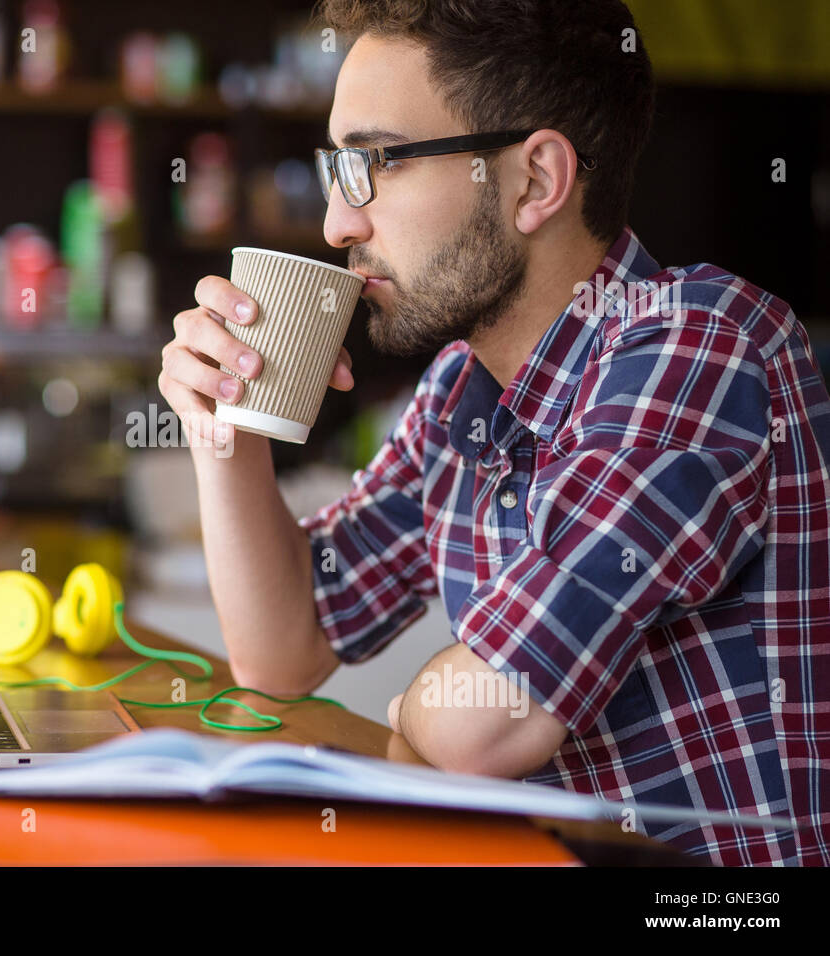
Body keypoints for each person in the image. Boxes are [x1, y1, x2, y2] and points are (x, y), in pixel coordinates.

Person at [157, 0, 829, 866]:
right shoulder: (460, 396)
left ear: (535, 181)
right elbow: (283, 651)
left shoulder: (702, 343)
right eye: (336, 167)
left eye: (377, 163)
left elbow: (487, 722)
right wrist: (227, 429)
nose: (337, 224)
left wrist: (417, 713)